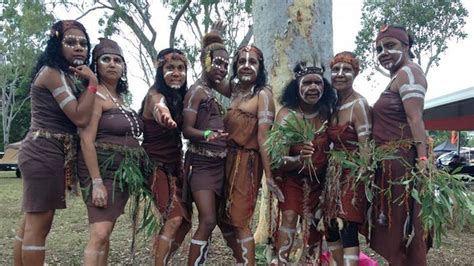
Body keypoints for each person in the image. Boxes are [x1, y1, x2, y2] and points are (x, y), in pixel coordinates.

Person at [14, 20, 97, 265]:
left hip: (50, 152)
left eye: (83, 43)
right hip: (44, 151)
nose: (79, 47)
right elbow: (80, 117)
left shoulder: (64, 75)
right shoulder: (52, 73)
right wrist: (92, 83)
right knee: (39, 226)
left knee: (30, 222)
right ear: (56, 45)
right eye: (70, 42)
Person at [77, 38, 151, 265]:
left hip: (122, 175)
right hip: (103, 172)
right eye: (105, 59)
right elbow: (86, 140)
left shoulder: (119, 98)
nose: (112, 64)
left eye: (117, 60)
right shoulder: (96, 95)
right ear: (96, 64)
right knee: (99, 234)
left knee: (106, 232)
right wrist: (97, 182)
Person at [371, 25, 430, 265]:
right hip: (390, 165)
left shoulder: (409, 73)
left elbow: (415, 118)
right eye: (379, 49)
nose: (383, 52)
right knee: (392, 228)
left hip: (401, 164)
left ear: (406, 47)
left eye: (390, 46)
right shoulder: (399, 75)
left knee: (399, 227)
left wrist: (423, 159)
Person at [221, 45, 284, 265]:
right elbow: (209, 76)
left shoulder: (263, 95)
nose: (246, 66)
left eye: (252, 62)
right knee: (222, 219)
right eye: (241, 62)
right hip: (224, 161)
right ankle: (241, 260)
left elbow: (264, 138)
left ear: (260, 67)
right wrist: (213, 43)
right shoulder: (234, 91)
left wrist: (268, 176)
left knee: (239, 221)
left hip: (247, 164)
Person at [182, 30, 241, 265]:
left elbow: (232, 88)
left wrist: (220, 43)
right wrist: (207, 133)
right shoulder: (196, 91)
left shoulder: (212, 90)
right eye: (217, 63)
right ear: (205, 62)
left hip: (219, 165)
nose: (223, 68)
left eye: (226, 64)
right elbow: (186, 130)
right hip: (201, 165)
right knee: (207, 220)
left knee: (218, 220)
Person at [272, 62, 335, 265]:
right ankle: (282, 262)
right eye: (307, 82)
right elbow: (278, 160)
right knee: (289, 217)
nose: (313, 87)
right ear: (296, 86)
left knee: (316, 224)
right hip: (293, 180)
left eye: (318, 82)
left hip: (321, 181)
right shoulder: (286, 115)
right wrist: (298, 160)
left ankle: (311, 262)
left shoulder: (327, 112)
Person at [141, 48, 191, 265]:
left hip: (175, 167)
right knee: (174, 218)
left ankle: (163, 260)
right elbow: (159, 108)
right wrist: (165, 117)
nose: (176, 73)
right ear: (160, 70)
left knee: (186, 221)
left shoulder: (179, 96)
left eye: (181, 68)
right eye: (170, 68)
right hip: (155, 167)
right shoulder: (156, 96)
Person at [324, 52, 372, 266]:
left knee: (347, 224)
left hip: (353, 172)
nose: (340, 74)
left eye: (347, 70)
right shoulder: (332, 105)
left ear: (355, 74)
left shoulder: (358, 104)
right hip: (333, 173)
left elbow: (365, 145)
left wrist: (362, 176)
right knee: (330, 224)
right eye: (336, 70)